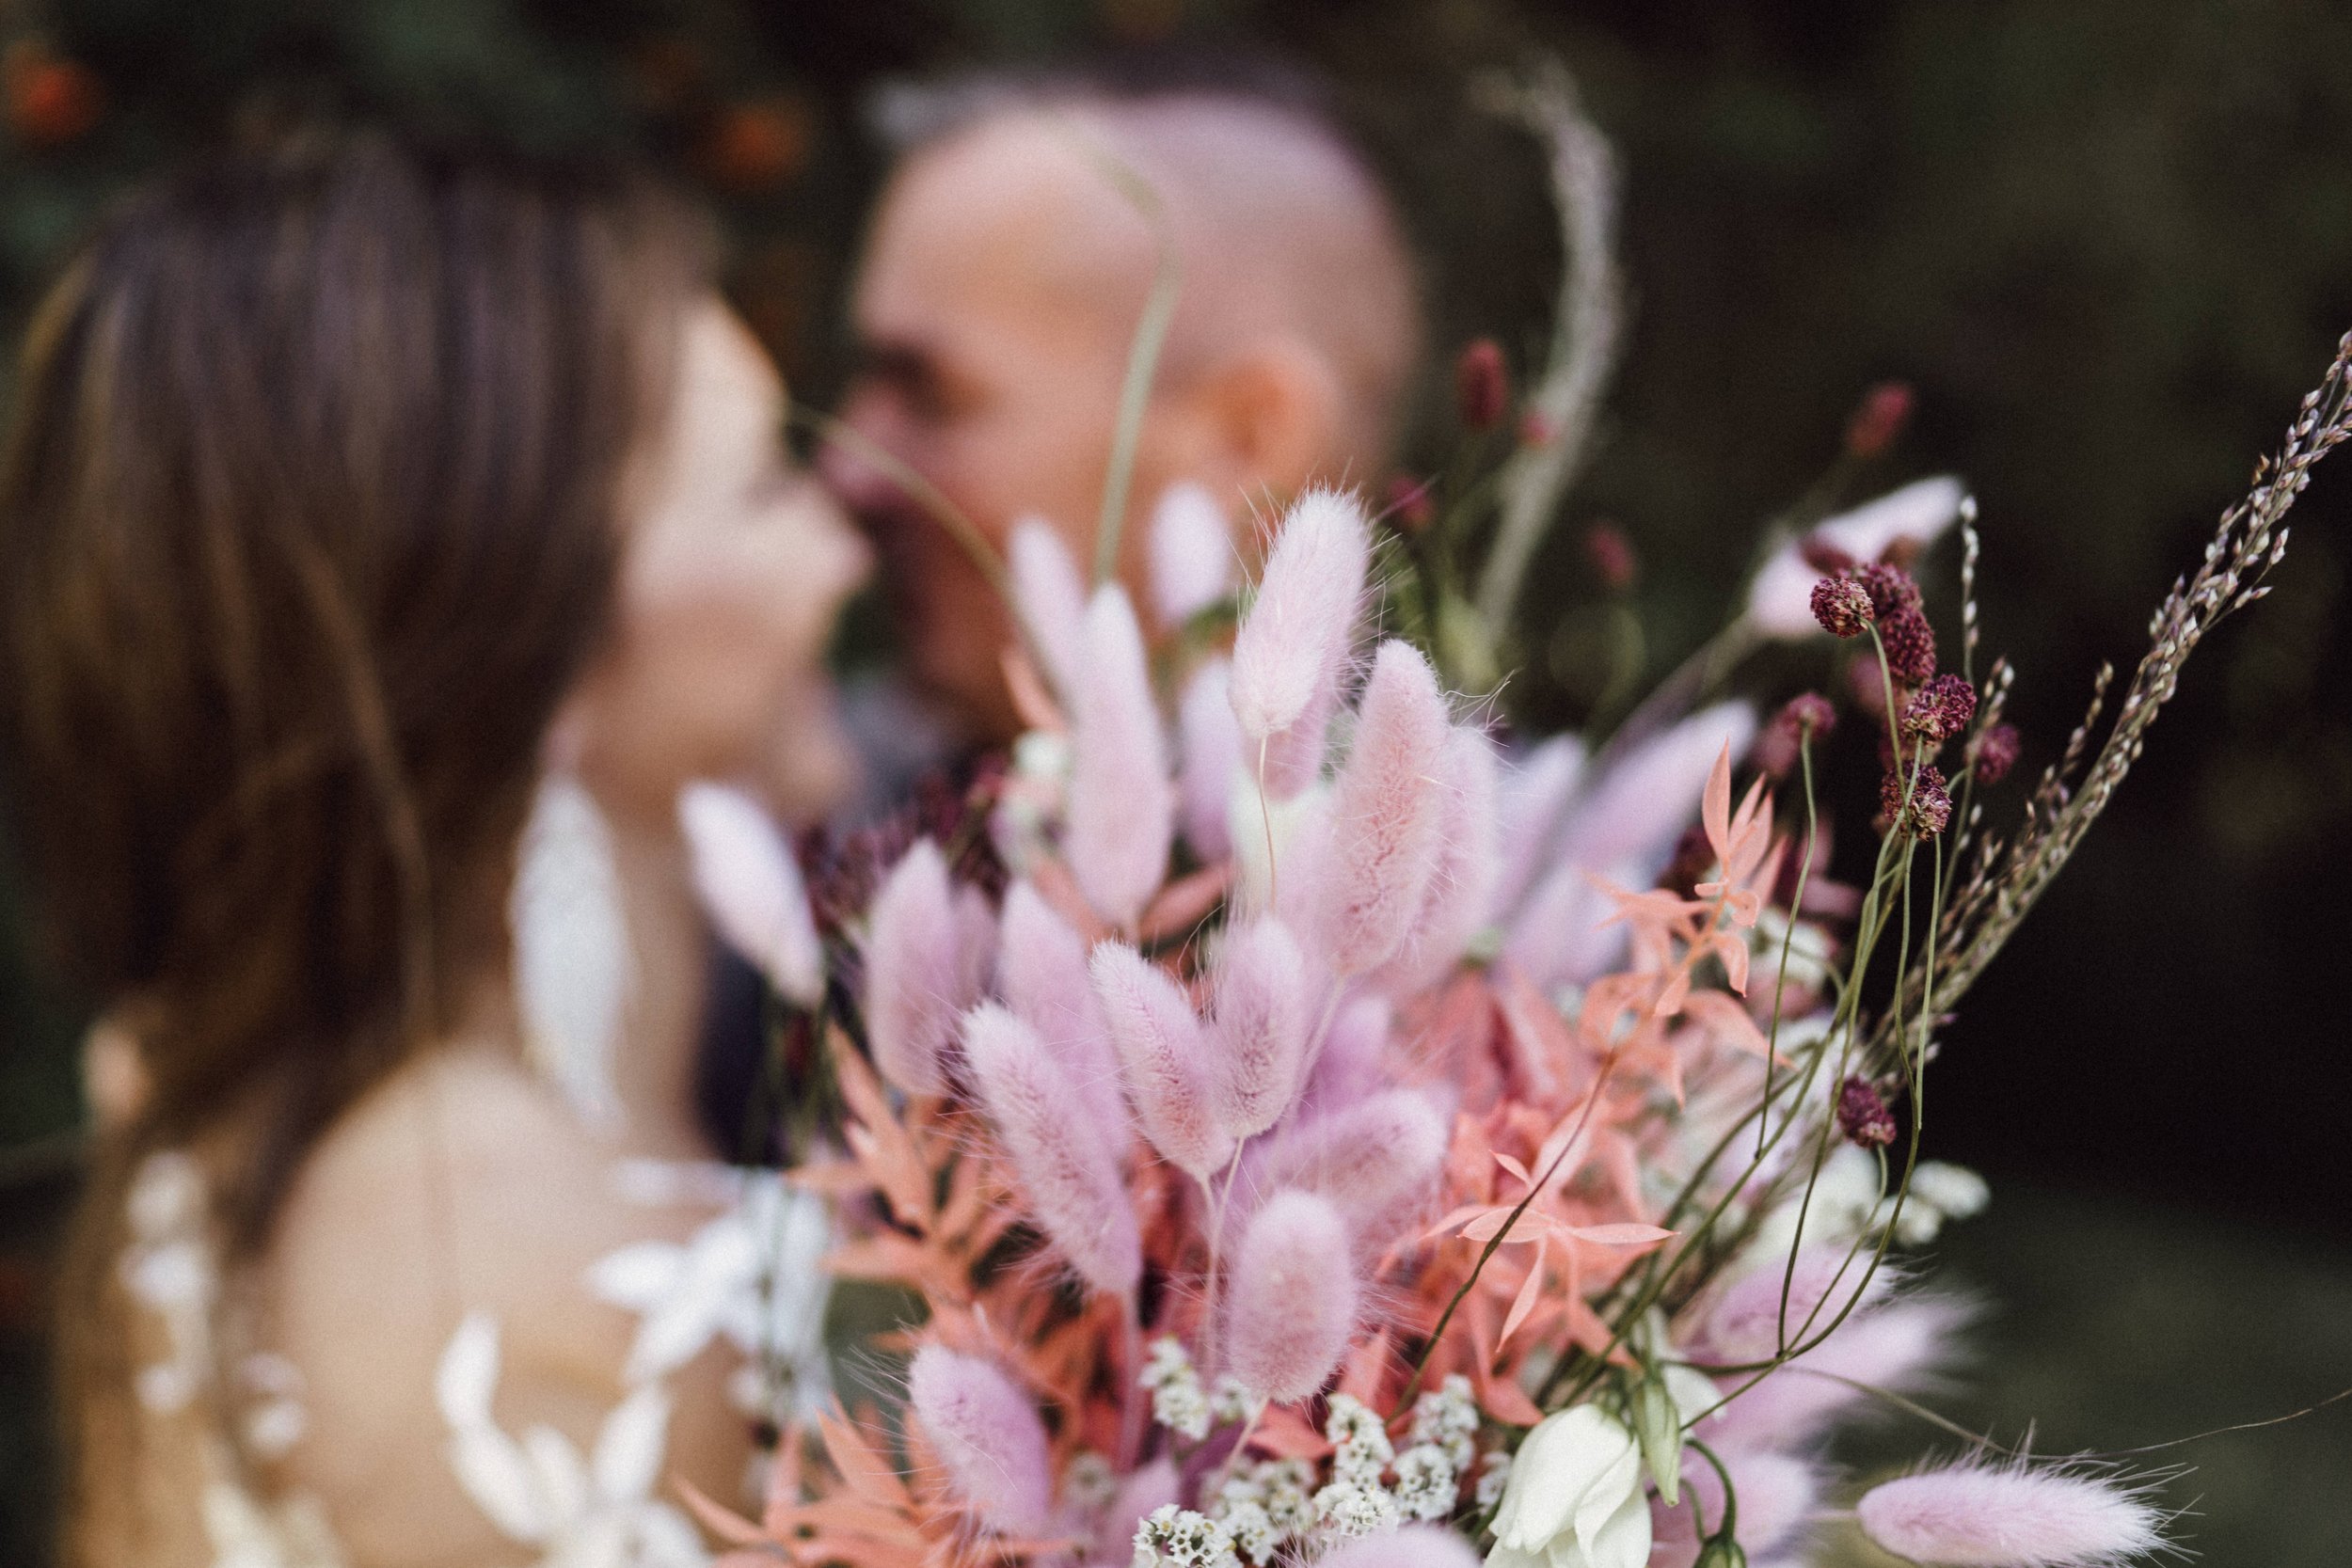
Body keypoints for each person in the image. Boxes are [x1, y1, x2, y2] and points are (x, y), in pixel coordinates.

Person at [0, 133, 868, 1568]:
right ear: (542, 651)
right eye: (768, 483)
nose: (844, 542)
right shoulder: (568, 1273)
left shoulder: (227, 1139)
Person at [823, 55, 1424, 743]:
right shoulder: (803, 798)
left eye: (931, 396)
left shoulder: (1543, 848)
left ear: (1247, 441)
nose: (846, 467)